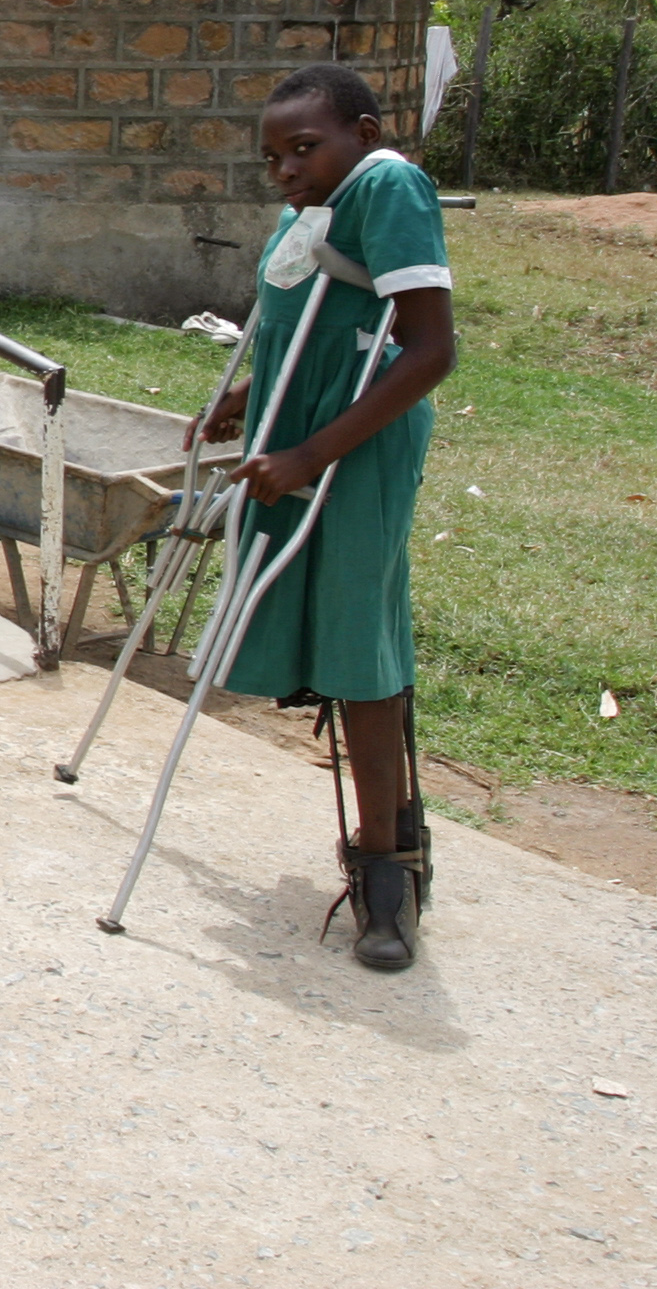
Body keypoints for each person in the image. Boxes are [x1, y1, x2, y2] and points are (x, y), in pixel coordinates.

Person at [191, 62, 458, 971]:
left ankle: (388, 871)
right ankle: (401, 819)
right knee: (324, 633)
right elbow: (312, 323)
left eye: (305, 147)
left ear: (366, 132)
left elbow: (428, 350)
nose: (287, 169)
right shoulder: (304, 213)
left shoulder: (389, 186)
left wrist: (313, 453)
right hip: (294, 436)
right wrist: (251, 400)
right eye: (272, 157)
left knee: (358, 638)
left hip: (357, 450)